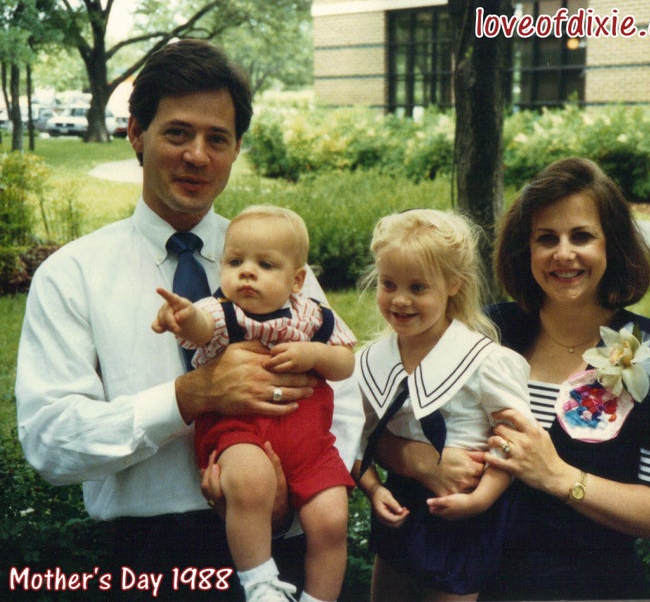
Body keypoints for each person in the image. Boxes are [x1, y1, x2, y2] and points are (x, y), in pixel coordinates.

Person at [14, 39, 363, 601]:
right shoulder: (71, 275)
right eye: (177, 132)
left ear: (235, 149)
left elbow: (345, 400)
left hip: (283, 550)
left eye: (216, 139)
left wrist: (298, 491)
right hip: (152, 560)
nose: (197, 156)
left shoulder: (274, 259)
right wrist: (187, 397)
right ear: (136, 134)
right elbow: (50, 440)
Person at [377, 158, 650, 600]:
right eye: (545, 238)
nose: (563, 254)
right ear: (526, 249)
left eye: (581, 236)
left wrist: (559, 476)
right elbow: (373, 422)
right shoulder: (484, 333)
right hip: (455, 576)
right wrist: (417, 460)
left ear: (612, 244)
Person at [152, 204, 356, 602]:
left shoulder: (314, 317)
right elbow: (200, 327)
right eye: (235, 261)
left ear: (297, 280)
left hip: (309, 445)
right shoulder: (223, 312)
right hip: (240, 432)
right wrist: (182, 316)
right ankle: (260, 583)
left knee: (332, 519)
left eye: (265, 264)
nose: (246, 272)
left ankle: (319, 598)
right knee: (250, 481)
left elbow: (346, 362)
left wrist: (315, 356)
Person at [352, 209, 533, 601]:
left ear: (453, 284)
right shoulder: (369, 361)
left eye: (418, 287)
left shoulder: (483, 362)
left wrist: (480, 499)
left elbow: (514, 442)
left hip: (463, 513)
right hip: (399, 505)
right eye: (389, 284)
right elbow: (353, 435)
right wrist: (371, 488)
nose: (400, 300)